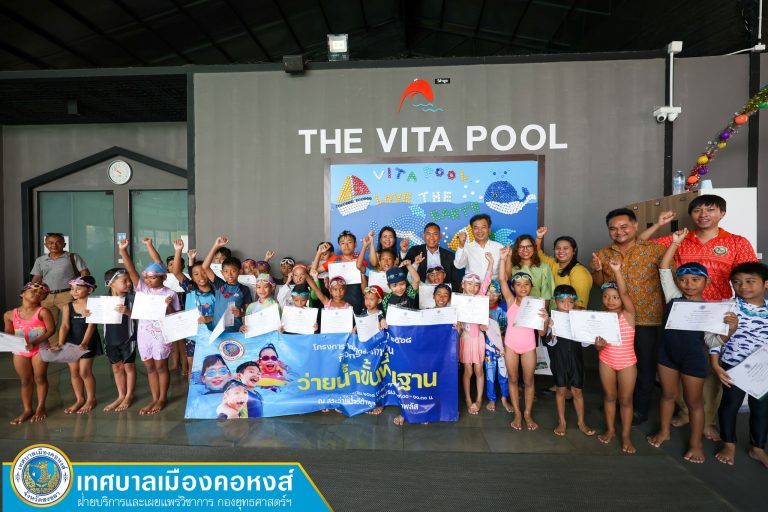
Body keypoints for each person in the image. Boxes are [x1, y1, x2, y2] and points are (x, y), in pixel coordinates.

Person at [640, 194, 759, 438]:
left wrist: (746, 313)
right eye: (698, 210)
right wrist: (660, 225)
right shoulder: (681, 238)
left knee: (709, 369)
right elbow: (641, 246)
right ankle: (685, 411)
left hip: (717, 314)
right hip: (683, 315)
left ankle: (707, 419)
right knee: (678, 364)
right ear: (691, 214)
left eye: (710, 209)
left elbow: (750, 278)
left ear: (722, 213)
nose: (703, 214)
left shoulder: (736, 242)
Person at [591, 208, 666, 425]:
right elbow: (599, 284)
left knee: (644, 366)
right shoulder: (603, 254)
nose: (619, 231)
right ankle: (616, 401)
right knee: (613, 360)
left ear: (635, 226)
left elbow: (668, 278)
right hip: (615, 320)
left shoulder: (655, 250)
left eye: (624, 226)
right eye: (613, 228)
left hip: (646, 318)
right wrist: (597, 270)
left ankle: (639, 409)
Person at [646, 229, 712, 463]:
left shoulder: (710, 309)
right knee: (668, 395)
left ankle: (695, 444)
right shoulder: (673, 297)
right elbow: (664, 268)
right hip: (667, 355)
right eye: (683, 280)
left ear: (706, 282)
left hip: (693, 358)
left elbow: (713, 341)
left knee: (694, 402)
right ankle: (664, 431)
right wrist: (674, 244)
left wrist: (731, 329)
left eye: (695, 280)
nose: (689, 284)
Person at [710, 262, 768, 468]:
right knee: (730, 405)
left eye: (750, 281)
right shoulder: (729, 307)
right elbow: (715, 340)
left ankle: (757, 448)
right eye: (737, 282)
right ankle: (729, 444)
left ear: (766, 284)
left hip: (762, 370)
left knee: (761, 409)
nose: (743, 286)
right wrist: (716, 365)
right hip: (732, 366)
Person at [118, 239, 180, 415]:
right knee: (150, 368)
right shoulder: (142, 290)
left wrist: (168, 305)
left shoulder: (170, 293)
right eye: (147, 277)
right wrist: (123, 250)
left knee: (161, 367)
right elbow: (131, 270)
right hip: (144, 334)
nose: (149, 281)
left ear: (163, 277)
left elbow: (175, 317)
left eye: (153, 277)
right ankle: (154, 398)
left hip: (161, 334)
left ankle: (162, 398)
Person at [499, 253, 547, 431]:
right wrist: (503, 259)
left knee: (529, 381)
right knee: (513, 379)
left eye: (526, 284)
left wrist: (545, 319)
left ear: (531, 286)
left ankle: (527, 413)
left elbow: (541, 333)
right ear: (513, 287)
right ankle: (517, 413)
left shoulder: (537, 305)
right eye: (518, 284)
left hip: (529, 347)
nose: (523, 287)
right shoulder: (510, 301)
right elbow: (502, 279)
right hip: (511, 345)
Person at [594, 260, 637, 454]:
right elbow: (597, 345)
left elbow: (625, 293)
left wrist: (617, 272)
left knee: (625, 400)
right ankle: (610, 430)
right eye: (606, 297)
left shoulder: (628, 314)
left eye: (615, 297)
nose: (610, 301)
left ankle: (626, 436)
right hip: (606, 360)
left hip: (627, 362)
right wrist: (598, 346)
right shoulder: (602, 318)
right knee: (610, 396)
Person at [543, 284, 595, 437]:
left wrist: (587, 328)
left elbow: (585, 343)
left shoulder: (578, 318)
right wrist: (552, 329)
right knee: (561, 390)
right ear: (555, 302)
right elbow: (550, 343)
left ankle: (581, 422)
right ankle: (562, 421)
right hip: (560, 360)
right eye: (562, 302)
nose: (566, 305)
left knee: (577, 390)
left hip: (576, 359)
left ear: (575, 302)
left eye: (570, 302)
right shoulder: (552, 319)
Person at [4, 282, 56, 425]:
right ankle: (27, 410)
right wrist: (7, 340)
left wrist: (34, 343)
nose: (37, 293)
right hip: (20, 350)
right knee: (25, 381)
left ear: (43, 297)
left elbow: (51, 330)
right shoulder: (9, 314)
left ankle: (40, 407)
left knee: (39, 378)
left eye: (41, 293)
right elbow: (9, 332)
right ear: (22, 293)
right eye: (33, 290)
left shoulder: (43, 312)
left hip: (39, 349)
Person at [58, 276, 102, 414]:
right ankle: (79, 399)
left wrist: (84, 343)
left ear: (90, 290)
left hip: (87, 341)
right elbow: (64, 326)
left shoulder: (94, 305)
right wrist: (60, 343)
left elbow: (91, 325)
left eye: (78, 288)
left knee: (84, 372)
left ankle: (91, 399)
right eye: (72, 289)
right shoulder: (68, 306)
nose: (74, 291)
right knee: (74, 372)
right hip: (71, 341)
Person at [457, 253, 494, 416]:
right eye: (469, 284)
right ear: (463, 284)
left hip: (478, 339)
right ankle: (467, 398)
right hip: (465, 339)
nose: (473, 287)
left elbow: (487, 280)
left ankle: (478, 399)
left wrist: (491, 262)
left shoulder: (480, 298)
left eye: (475, 285)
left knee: (479, 370)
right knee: (468, 371)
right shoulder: (457, 301)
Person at [30, 232, 90, 332]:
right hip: (46, 296)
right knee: (49, 325)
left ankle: (71, 342)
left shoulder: (72, 257)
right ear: (45, 245)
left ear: (64, 244)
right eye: (50, 243)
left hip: (67, 295)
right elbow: (37, 278)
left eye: (58, 242)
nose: (54, 245)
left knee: (72, 322)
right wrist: (33, 292)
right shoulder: (40, 260)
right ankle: (56, 342)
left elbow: (85, 274)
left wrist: (80, 290)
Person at [101, 267, 138, 412]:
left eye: (129, 280)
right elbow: (96, 317)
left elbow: (142, 315)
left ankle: (129, 395)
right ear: (111, 284)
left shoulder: (132, 298)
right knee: (116, 367)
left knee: (129, 366)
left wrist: (128, 312)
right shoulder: (104, 300)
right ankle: (121, 395)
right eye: (125, 281)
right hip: (110, 339)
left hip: (128, 338)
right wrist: (89, 313)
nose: (129, 283)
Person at [202, 237, 252, 333]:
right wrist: (215, 246)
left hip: (236, 331)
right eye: (226, 271)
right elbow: (205, 267)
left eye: (233, 271)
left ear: (239, 271)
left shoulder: (244, 289)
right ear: (222, 272)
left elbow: (249, 312)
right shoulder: (219, 285)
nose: (229, 274)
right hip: (217, 331)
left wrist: (240, 313)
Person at [535, 227, 593, 309]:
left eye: (566, 248)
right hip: (553, 314)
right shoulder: (554, 263)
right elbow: (538, 254)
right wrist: (539, 237)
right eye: (558, 248)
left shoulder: (579, 272)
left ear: (574, 251)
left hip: (569, 315)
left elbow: (580, 305)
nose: (561, 251)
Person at [315, 232, 368, 314]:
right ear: (339, 246)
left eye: (349, 242)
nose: (346, 246)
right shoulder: (334, 259)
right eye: (342, 243)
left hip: (356, 300)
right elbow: (314, 272)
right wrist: (319, 253)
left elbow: (364, 284)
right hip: (337, 302)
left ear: (355, 244)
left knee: (354, 319)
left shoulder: (360, 260)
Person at [404, 223, 459, 288]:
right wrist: (404, 252)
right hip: (419, 291)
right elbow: (404, 271)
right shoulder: (415, 251)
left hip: (443, 292)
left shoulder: (450, 256)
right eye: (428, 234)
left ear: (440, 236)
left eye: (435, 234)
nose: (431, 237)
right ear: (423, 236)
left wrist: (444, 290)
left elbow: (455, 282)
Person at [484, 280, 511, 413]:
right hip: (487, 348)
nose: (492, 296)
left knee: (504, 373)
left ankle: (504, 398)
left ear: (500, 295)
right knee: (490, 374)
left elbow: (509, 328)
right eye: (489, 292)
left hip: (503, 346)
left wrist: (504, 345)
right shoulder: (480, 309)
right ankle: (491, 399)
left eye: (495, 293)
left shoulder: (504, 308)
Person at [508, 234, 555, 303]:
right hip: (517, 307)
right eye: (521, 247)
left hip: (538, 307)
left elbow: (546, 294)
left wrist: (543, 309)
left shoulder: (544, 268)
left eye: (529, 246)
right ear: (516, 249)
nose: (525, 250)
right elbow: (505, 281)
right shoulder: (513, 268)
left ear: (534, 248)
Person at [455, 214, 503, 279]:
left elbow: (505, 273)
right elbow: (458, 265)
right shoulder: (466, 247)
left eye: (483, 227)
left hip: (493, 285)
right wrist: (461, 245)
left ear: (489, 230)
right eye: (476, 228)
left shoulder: (499, 247)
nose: (480, 231)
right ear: (472, 231)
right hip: (473, 284)